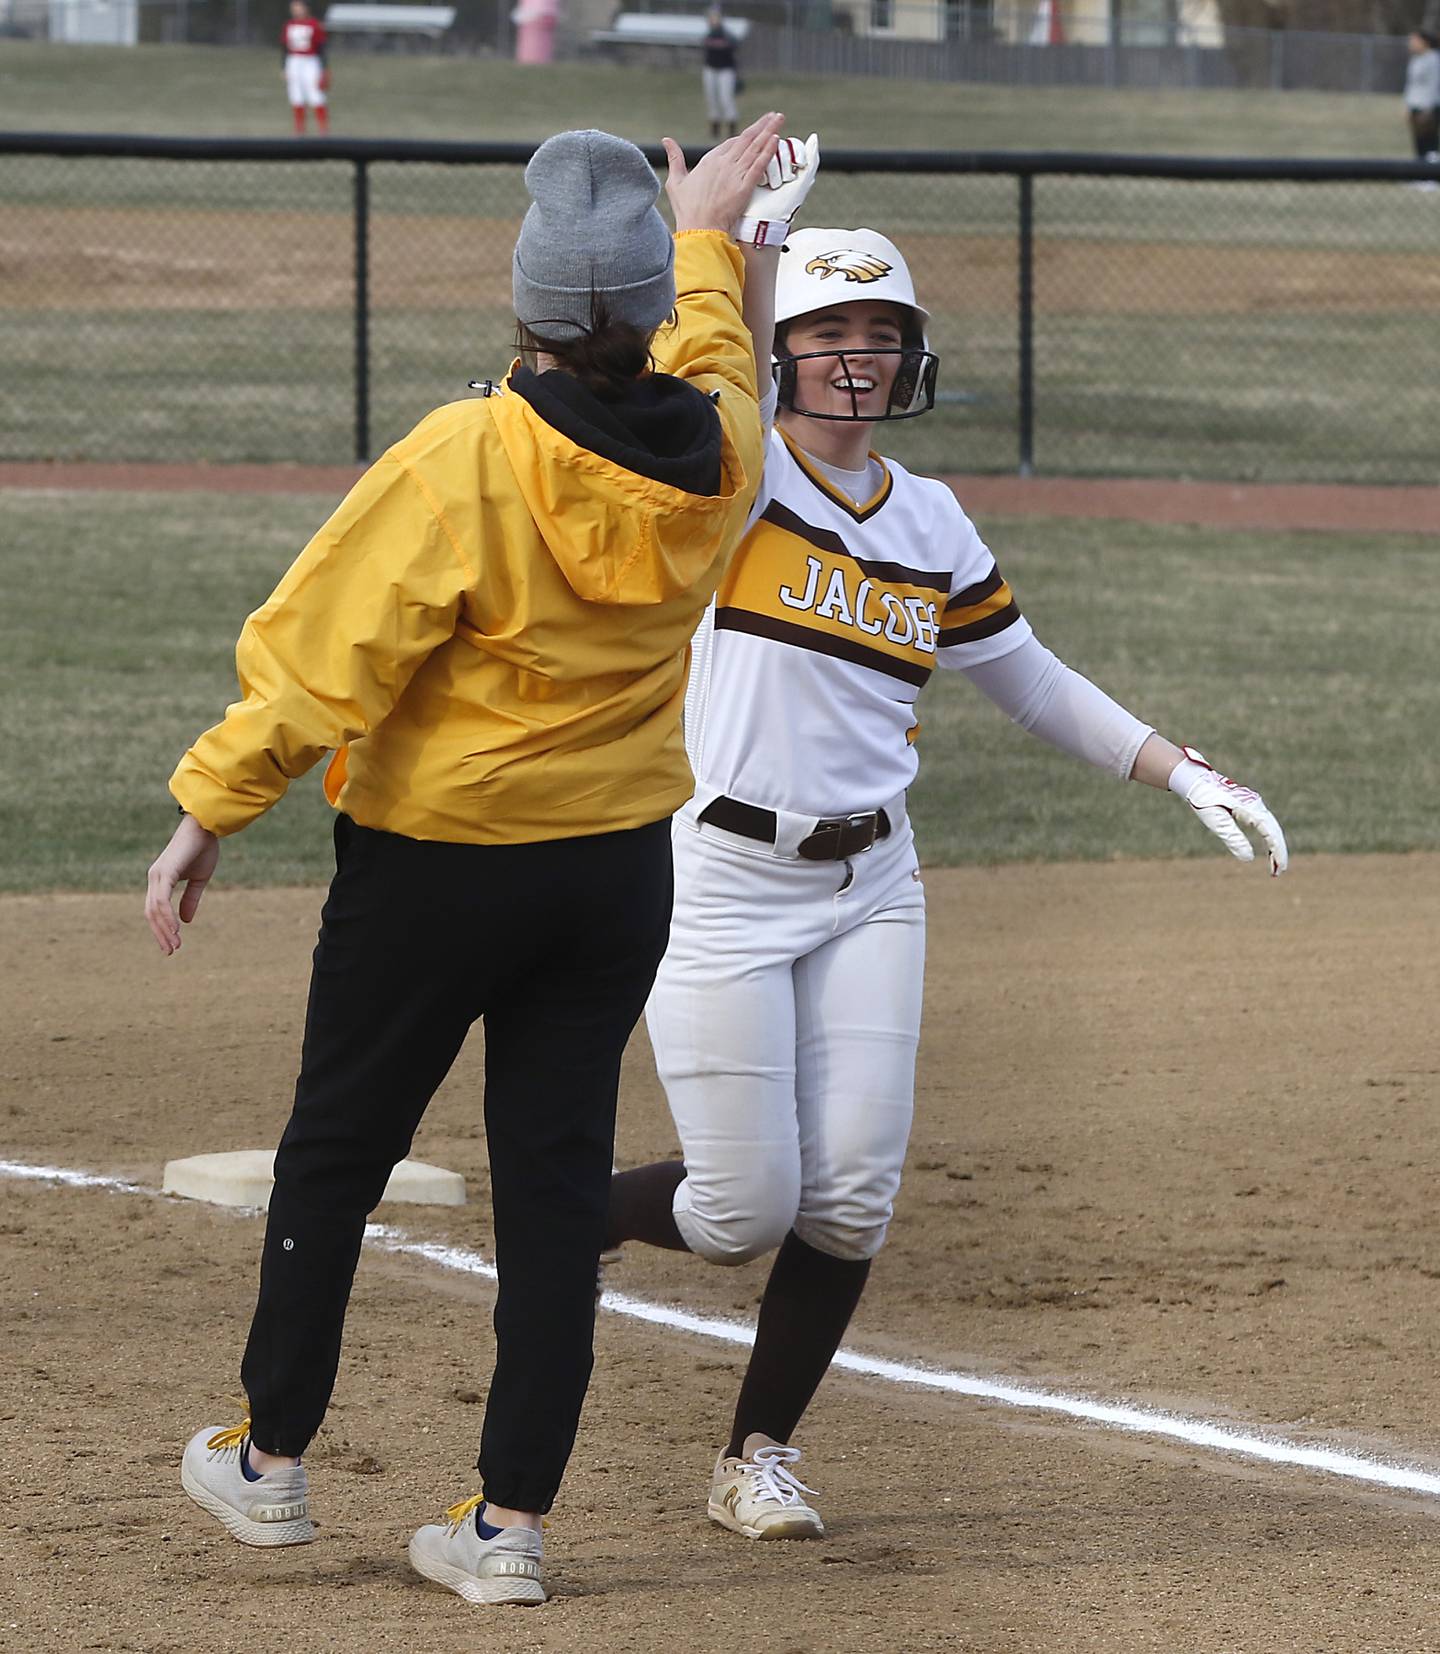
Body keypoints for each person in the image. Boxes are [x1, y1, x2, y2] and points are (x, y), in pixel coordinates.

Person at [144, 114, 790, 1606]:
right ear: (641, 306)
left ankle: (271, 1457)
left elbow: (320, 664)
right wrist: (704, 233)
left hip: (436, 867)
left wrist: (210, 810)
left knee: (338, 1149)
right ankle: (507, 1528)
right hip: (614, 869)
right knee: (554, 1185)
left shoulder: (465, 454)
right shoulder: (720, 454)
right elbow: (722, 355)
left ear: (527, 298)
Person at [603, 216, 1290, 1542]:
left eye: (880, 335)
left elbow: (1029, 680)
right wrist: (736, 245)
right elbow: (702, 367)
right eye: (824, 336)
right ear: (778, 354)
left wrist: (1185, 769)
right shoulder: (729, 481)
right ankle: (573, 1210)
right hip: (724, 879)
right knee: (743, 1206)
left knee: (852, 1189)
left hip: (874, 880)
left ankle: (756, 1454)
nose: (855, 359)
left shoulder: (929, 518)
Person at [283, 0, 329, 137]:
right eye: (294, 7)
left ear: (306, 8)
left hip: (310, 61)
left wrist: (324, 69)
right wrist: (284, 67)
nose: (296, 10)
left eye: (299, 7)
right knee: (296, 95)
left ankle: (323, 131)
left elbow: (321, 48)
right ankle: (299, 131)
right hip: (293, 61)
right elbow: (284, 48)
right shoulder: (289, 25)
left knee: (316, 94)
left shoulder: (314, 24)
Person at [1403, 30, 1440, 188]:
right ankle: (1420, 175)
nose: (1411, 43)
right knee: (1419, 142)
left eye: (1414, 40)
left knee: (1429, 143)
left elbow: (1434, 85)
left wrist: (1428, 109)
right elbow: (1412, 86)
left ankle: (1432, 178)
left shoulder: (1433, 59)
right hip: (1415, 106)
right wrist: (1407, 106)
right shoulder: (1416, 60)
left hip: (1428, 108)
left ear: (1424, 42)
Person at [701, 7, 741, 142]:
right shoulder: (709, 35)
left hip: (725, 70)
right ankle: (715, 129)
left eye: (716, 18)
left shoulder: (726, 35)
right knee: (712, 98)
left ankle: (731, 128)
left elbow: (735, 47)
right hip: (711, 69)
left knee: (726, 98)